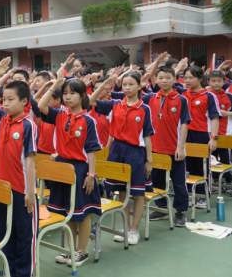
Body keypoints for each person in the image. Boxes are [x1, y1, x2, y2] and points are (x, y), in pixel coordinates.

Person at [0, 57, 38, 277]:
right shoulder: (2, 119)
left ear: (24, 101)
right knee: (5, 233)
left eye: (10, 99)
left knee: (24, 236)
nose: (5, 103)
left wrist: (30, 192)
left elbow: (31, 161)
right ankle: (11, 270)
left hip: (22, 190)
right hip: (1, 188)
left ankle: (23, 273)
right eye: (3, 99)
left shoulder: (28, 125)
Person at [38, 76, 102, 266]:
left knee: (83, 214)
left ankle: (82, 251)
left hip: (80, 170)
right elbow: (40, 105)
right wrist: (53, 86)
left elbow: (91, 152)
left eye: (72, 93)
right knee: (68, 212)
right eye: (65, 93)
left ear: (83, 96)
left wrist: (91, 175)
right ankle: (71, 250)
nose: (67, 97)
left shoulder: (88, 121)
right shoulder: (59, 115)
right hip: (62, 169)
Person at [90, 71, 154, 245]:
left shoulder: (145, 108)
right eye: (124, 84)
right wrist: (102, 87)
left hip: (136, 153)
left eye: (131, 84)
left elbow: (147, 136)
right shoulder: (115, 104)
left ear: (139, 85)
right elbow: (89, 102)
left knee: (137, 193)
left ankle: (134, 230)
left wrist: (149, 161)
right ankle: (125, 227)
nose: (127, 87)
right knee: (122, 191)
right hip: (116, 150)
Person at [144, 65, 191, 227]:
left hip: (174, 148)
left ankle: (180, 211)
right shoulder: (149, 98)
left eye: (168, 78)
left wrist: (181, 147)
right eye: (161, 78)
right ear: (156, 80)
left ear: (175, 79)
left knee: (178, 182)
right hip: (154, 149)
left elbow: (184, 123)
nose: (164, 81)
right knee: (156, 181)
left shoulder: (181, 99)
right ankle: (161, 208)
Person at [180, 66, 220, 208]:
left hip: (202, 135)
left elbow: (215, 118)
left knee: (202, 168)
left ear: (200, 79)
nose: (188, 80)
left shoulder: (209, 96)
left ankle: (203, 197)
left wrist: (213, 138)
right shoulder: (183, 94)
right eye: (186, 78)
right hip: (185, 135)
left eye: (191, 78)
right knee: (188, 167)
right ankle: (192, 195)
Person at [207, 71, 232, 194]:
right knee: (211, 158)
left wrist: (226, 113)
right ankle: (215, 180)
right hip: (209, 133)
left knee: (225, 158)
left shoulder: (229, 96)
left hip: (225, 132)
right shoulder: (206, 95)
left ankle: (228, 182)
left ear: (224, 82)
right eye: (213, 81)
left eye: (219, 81)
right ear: (208, 82)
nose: (216, 83)